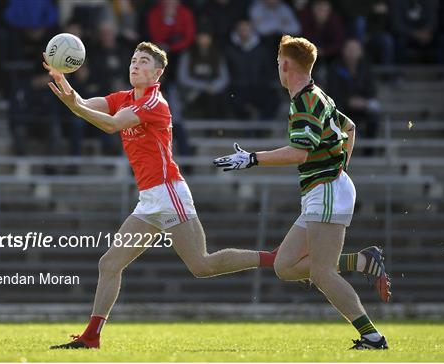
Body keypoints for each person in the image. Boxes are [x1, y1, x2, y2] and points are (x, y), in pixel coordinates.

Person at [44, 42, 278, 349]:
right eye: (133, 60)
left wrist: (75, 107)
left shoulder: (155, 103)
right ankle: (91, 336)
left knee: (202, 265)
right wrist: (62, 78)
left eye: (143, 61)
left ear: (158, 72)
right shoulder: (124, 97)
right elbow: (86, 102)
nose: (135, 65)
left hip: (169, 192)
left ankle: (274, 259)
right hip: (149, 199)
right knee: (110, 263)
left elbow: (111, 125)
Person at [213, 35, 391, 349]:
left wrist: (252, 159)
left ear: (284, 65)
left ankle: (372, 337)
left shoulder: (306, 101)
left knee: (322, 273)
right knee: (284, 265)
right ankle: (362, 262)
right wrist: (340, 165)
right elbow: (350, 128)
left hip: (326, 191)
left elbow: (299, 153)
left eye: (277, 62)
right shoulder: (318, 95)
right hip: (324, 189)